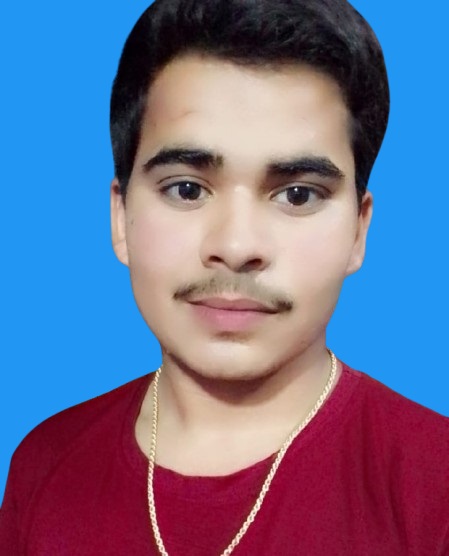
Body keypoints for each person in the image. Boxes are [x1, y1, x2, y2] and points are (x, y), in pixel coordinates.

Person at [1, 0, 448, 554]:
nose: (236, 248)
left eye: (297, 195)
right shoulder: (45, 463)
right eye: (186, 189)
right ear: (120, 218)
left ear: (358, 230)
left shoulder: (435, 485)